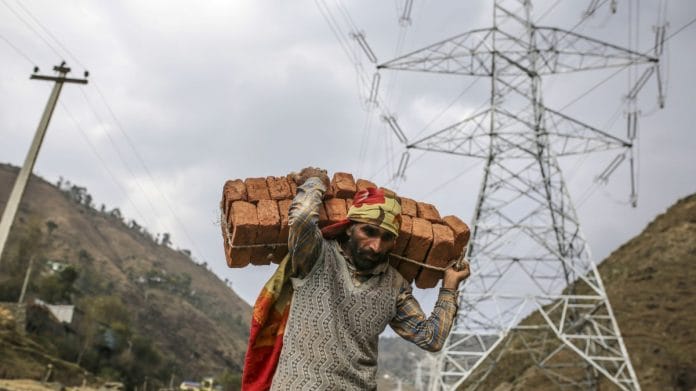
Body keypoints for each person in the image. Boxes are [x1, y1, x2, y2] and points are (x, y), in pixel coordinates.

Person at [243, 167, 471, 391]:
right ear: (350, 229)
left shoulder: (395, 286)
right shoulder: (315, 255)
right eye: (368, 232)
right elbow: (302, 220)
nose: (376, 246)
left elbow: (431, 338)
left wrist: (449, 288)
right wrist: (314, 183)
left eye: (386, 238)